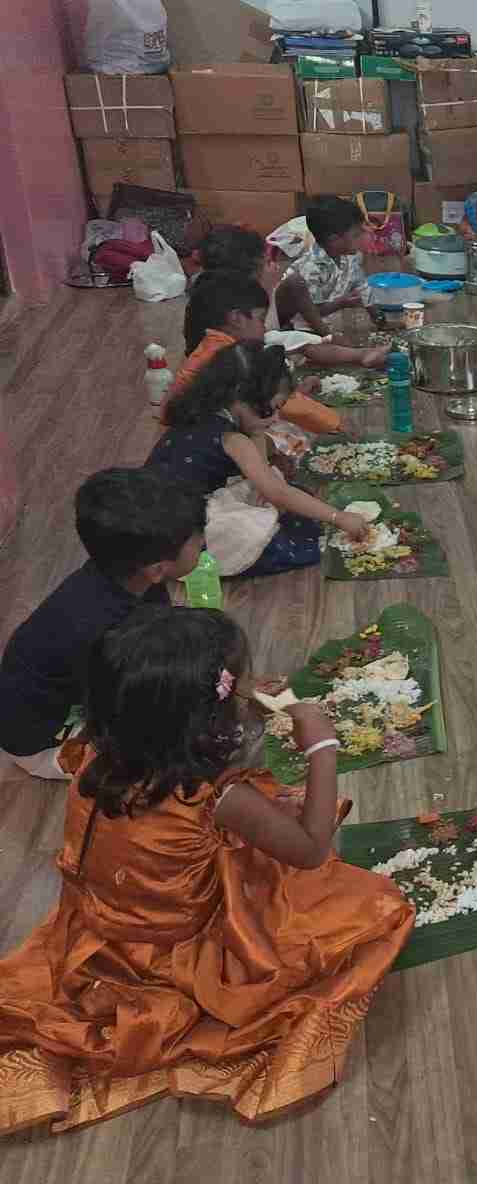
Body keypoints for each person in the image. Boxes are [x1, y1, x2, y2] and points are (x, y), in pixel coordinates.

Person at [0, 607, 415, 1134]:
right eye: (235, 684)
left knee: (265, 817)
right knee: (375, 903)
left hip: (97, 935)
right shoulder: (214, 794)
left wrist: (250, 703)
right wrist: (322, 746)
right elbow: (311, 850)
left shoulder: (94, 755)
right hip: (178, 958)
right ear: (206, 721)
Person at [0, 469, 203, 781]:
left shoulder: (125, 576)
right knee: (166, 754)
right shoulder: (103, 632)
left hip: (75, 693)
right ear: (158, 568)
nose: (204, 543)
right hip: (43, 742)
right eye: (198, 542)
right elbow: (128, 704)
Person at [147, 343, 369, 578]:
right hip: (181, 535)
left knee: (284, 497)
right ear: (240, 398)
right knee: (264, 530)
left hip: (160, 515)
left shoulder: (200, 414)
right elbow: (277, 493)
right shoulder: (231, 437)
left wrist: (259, 435)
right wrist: (338, 517)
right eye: (270, 410)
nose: (274, 418)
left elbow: (262, 469)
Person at [168, 270, 341, 439]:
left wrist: (295, 392)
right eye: (260, 319)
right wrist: (336, 424)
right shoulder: (235, 358)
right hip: (209, 441)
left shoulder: (214, 344)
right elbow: (284, 406)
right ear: (236, 318)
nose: (264, 328)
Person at [197, 223, 385, 371]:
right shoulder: (235, 304)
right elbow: (260, 337)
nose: (275, 266)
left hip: (254, 340)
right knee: (300, 342)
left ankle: (355, 352)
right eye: (267, 263)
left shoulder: (228, 286)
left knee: (299, 338)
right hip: (239, 357)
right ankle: (360, 355)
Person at [271, 196, 370, 336]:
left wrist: (377, 315)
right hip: (301, 325)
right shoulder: (311, 267)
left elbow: (362, 287)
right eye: (356, 235)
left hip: (326, 319)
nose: (361, 238)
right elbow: (313, 311)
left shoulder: (350, 257)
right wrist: (341, 303)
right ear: (334, 240)